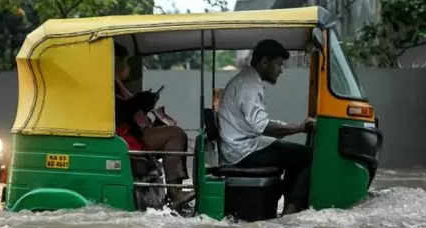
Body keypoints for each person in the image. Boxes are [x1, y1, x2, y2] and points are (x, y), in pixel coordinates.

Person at [217, 39, 315, 215]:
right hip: (242, 152)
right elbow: (262, 127)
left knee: (295, 157)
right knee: (310, 156)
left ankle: (289, 206)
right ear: (264, 62)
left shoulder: (248, 81)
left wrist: (291, 127)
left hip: (241, 147)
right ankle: (292, 211)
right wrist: (299, 128)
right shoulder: (248, 84)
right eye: (278, 64)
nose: (281, 70)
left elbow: (258, 123)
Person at [114, 43, 194, 209]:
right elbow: (123, 111)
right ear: (116, 61)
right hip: (124, 137)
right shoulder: (106, 85)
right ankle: (175, 193)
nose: (127, 67)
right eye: (125, 61)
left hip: (132, 132)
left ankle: (174, 192)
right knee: (175, 134)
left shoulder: (115, 84)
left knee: (174, 132)